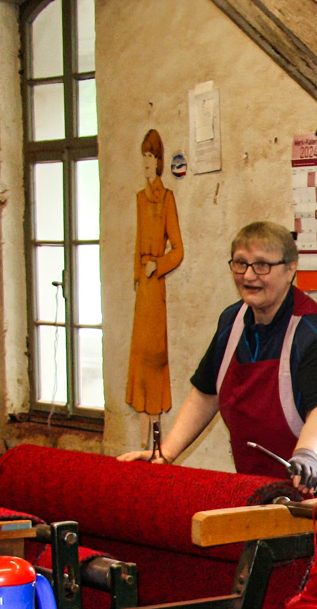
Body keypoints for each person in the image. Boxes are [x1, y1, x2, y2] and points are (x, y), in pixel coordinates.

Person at [119, 221, 317, 514]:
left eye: (262, 266)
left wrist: (307, 456)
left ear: (290, 268)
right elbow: (207, 393)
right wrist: (164, 454)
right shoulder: (232, 322)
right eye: (240, 264)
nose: (249, 276)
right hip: (259, 481)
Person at [125, 130, 183, 432]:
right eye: (144, 157)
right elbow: (137, 240)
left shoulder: (166, 198)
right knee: (139, 349)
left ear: (159, 161)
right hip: (143, 285)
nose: (147, 163)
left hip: (155, 281)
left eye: (151, 157)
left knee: (154, 350)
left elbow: (178, 249)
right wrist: (137, 275)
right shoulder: (139, 198)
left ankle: (156, 409)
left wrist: (156, 266)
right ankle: (142, 409)